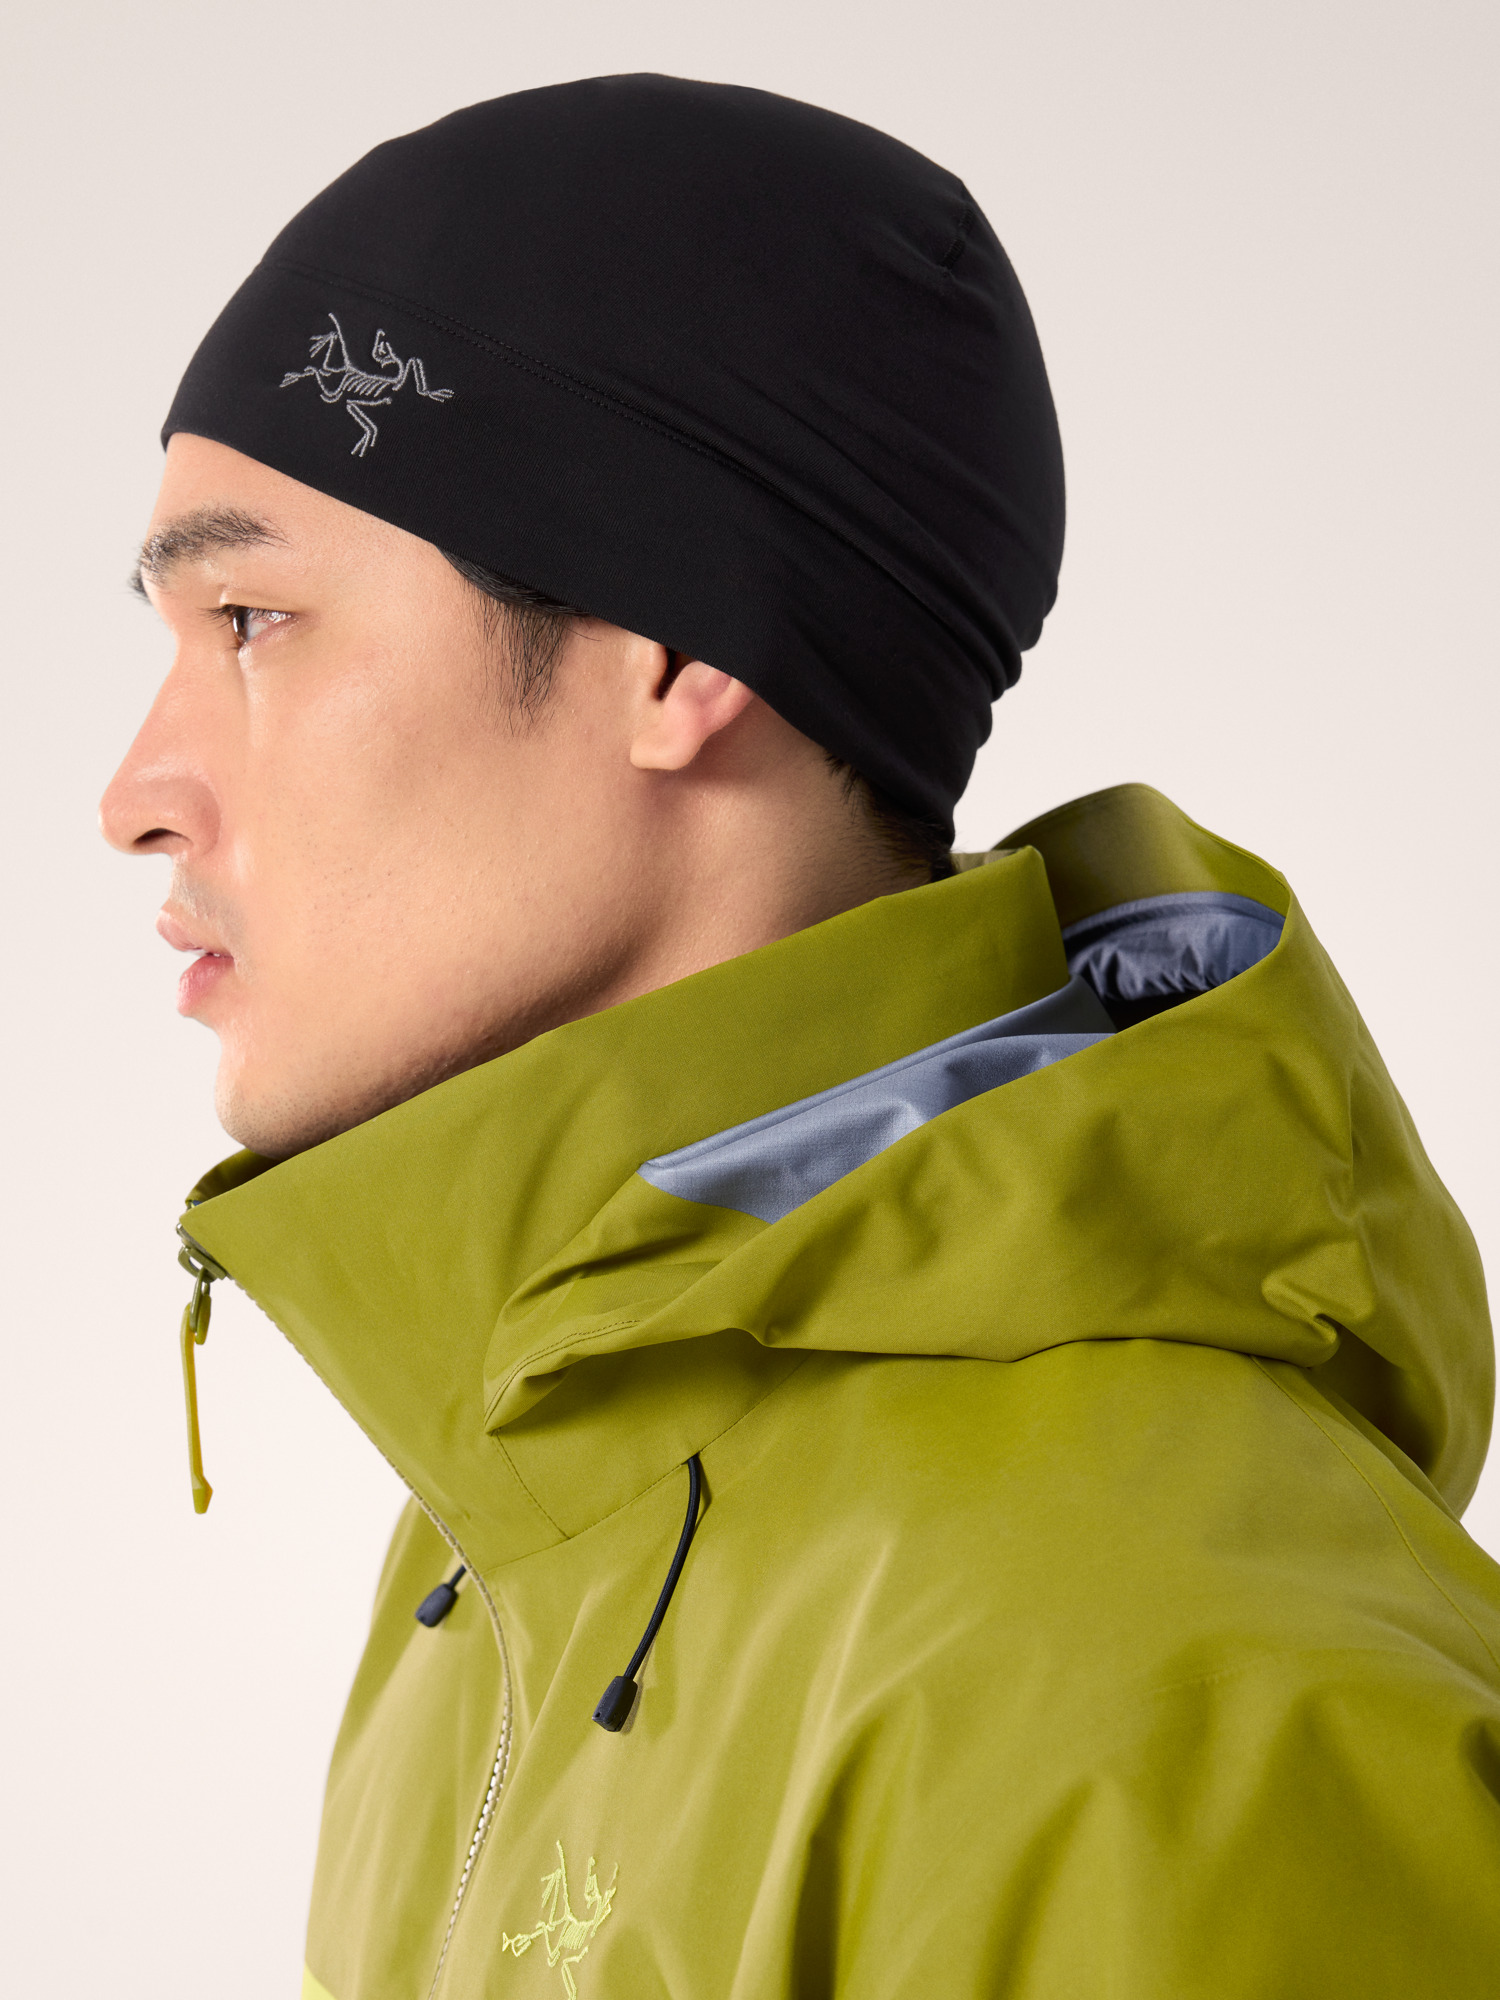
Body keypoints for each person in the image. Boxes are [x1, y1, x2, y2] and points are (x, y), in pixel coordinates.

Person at [102, 74, 1500, 2000]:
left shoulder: (1179, 1708)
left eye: (253, 620)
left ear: (679, 650)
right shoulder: (500, 1546)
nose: (136, 794)